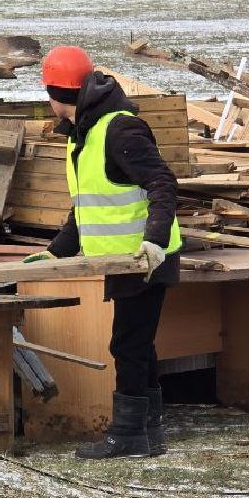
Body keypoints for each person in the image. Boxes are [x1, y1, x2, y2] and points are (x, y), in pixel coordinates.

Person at [25, 45, 182, 459]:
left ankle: (129, 435)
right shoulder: (86, 134)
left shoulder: (119, 130)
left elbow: (163, 184)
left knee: (127, 344)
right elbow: (89, 206)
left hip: (144, 256)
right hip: (125, 257)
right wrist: (57, 252)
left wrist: (155, 241)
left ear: (56, 93)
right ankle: (149, 430)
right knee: (138, 343)